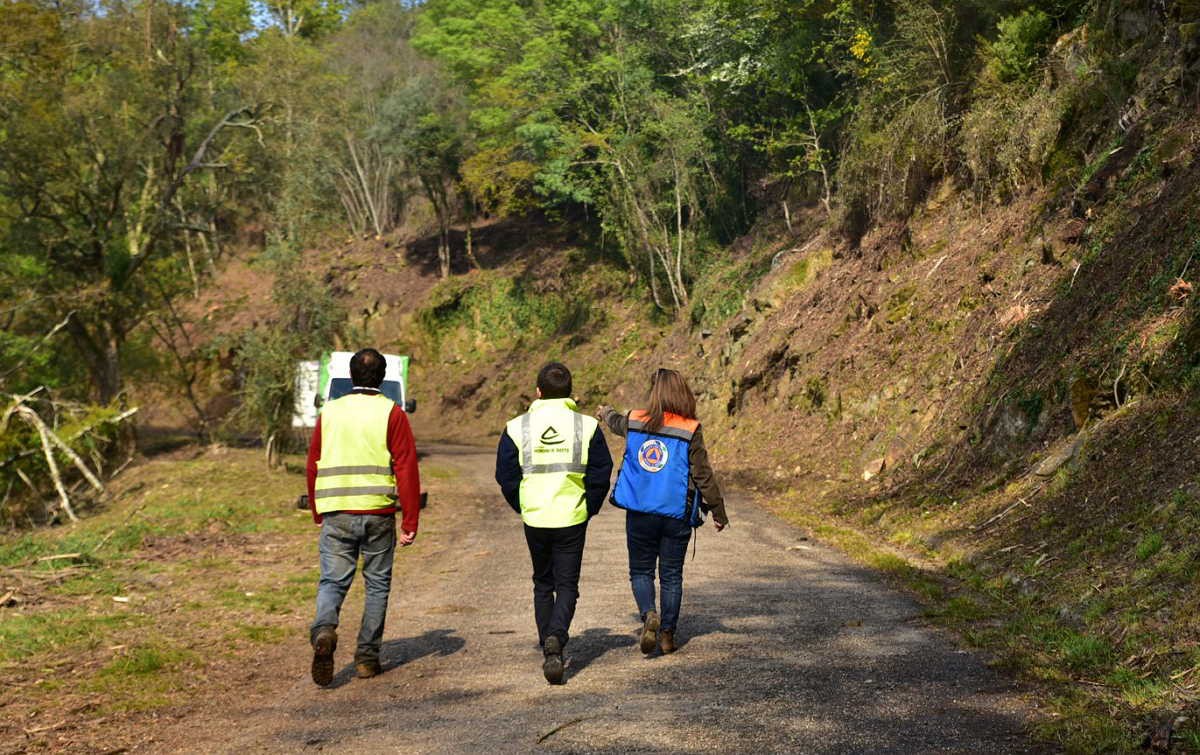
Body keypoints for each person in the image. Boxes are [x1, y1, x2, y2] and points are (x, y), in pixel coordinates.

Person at [306, 348, 421, 686]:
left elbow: (313, 462)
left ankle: (324, 629)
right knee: (377, 585)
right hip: (378, 512)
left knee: (332, 581)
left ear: (351, 376)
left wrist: (317, 510)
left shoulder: (330, 412)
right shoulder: (392, 413)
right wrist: (410, 521)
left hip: (336, 511)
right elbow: (406, 468)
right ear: (383, 378)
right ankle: (367, 659)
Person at [495, 362, 613, 684]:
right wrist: (589, 506)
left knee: (543, 583)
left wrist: (522, 505)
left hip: (535, 516)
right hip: (572, 516)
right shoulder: (587, 426)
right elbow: (602, 471)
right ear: (570, 393)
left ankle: (549, 642)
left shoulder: (517, 427)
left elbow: (504, 475)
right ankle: (556, 639)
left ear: (538, 392)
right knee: (567, 585)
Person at [597, 368, 728, 656]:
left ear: (654, 393)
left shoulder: (635, 419)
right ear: (682, 393)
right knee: (671, 575)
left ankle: (648, 615)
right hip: (676, 513)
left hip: (641, 511)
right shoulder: (689, 428)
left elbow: (615, 422)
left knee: (641, 571)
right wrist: (717, 510)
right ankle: (667, 634)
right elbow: (703, 474)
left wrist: (605, 412)